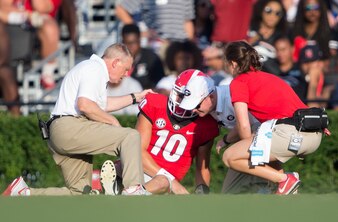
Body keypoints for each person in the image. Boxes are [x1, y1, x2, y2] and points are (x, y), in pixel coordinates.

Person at [2, 43, 153, 196]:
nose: (127, 74)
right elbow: (85, 105)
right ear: (115, 62)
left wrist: (135, 97)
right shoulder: (95, 69)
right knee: (130, 136)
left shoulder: (91, 69)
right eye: (126, 68)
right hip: (70, 127)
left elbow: (102, 105)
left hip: (60, 132)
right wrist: (113, 122)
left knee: (80, 194)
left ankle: (22, 193)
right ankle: (134, 188)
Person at [217, 41, 328, 195]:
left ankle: (285, 180)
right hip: (313, 133)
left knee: (230, 157)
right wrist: (227, 139)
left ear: (233, 64)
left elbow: (244, 126)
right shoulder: (268, 77)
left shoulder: (239, 82)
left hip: (289, 133)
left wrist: (241, 151)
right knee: (264, 157)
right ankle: (282, 188)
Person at [101, 69, 219, 195]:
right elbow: (137, 151)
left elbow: (202, 168)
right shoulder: (155, 104)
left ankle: (127, 193)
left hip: (163, 184)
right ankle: (127, 191)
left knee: (162, 181)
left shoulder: (207, 124)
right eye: (180, 95)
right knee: (117, 167)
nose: (182, 102)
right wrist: (173, 182)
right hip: (142, 169)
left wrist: (202, 194)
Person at [0, 0, 62, 90]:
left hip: (36, 27)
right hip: (13, 24)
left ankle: (48, 73)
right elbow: (3, 6)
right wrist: (25, 15)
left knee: (49, 26)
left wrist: (30, 16)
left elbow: (41, 8)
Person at [121, 23, 165, 89]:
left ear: (139, 40)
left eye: (134, 42)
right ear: (122, 42)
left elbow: (159, 85)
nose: (130, 47)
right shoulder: (118, 60)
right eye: (127, 43)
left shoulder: (152, 58)